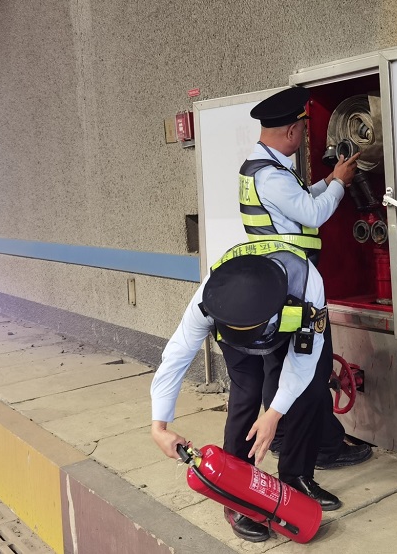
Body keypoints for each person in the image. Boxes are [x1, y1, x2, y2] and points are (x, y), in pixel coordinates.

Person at [151, 240, 340, 543]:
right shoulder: (210, 298)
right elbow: (177, 355)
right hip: (236, 325)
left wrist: (274, 414)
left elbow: (302, 363)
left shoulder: (307, 287)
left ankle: (297, 477)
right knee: (246, 390)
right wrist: (159, 426)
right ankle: (236, 497)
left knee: (311, 389)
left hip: (291, 324)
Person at [239, 85, 372, 469]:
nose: (301, 136)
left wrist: (329, 180)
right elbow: (313, 214)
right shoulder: (273, 176)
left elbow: (297, 202)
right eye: (300, 129)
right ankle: (325, 446)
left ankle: (282, 436)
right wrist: (340, 184)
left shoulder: (258, 168)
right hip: (296, 288)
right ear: (291, 131)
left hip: (276, 284)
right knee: (313, 364)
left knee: (278, 365)